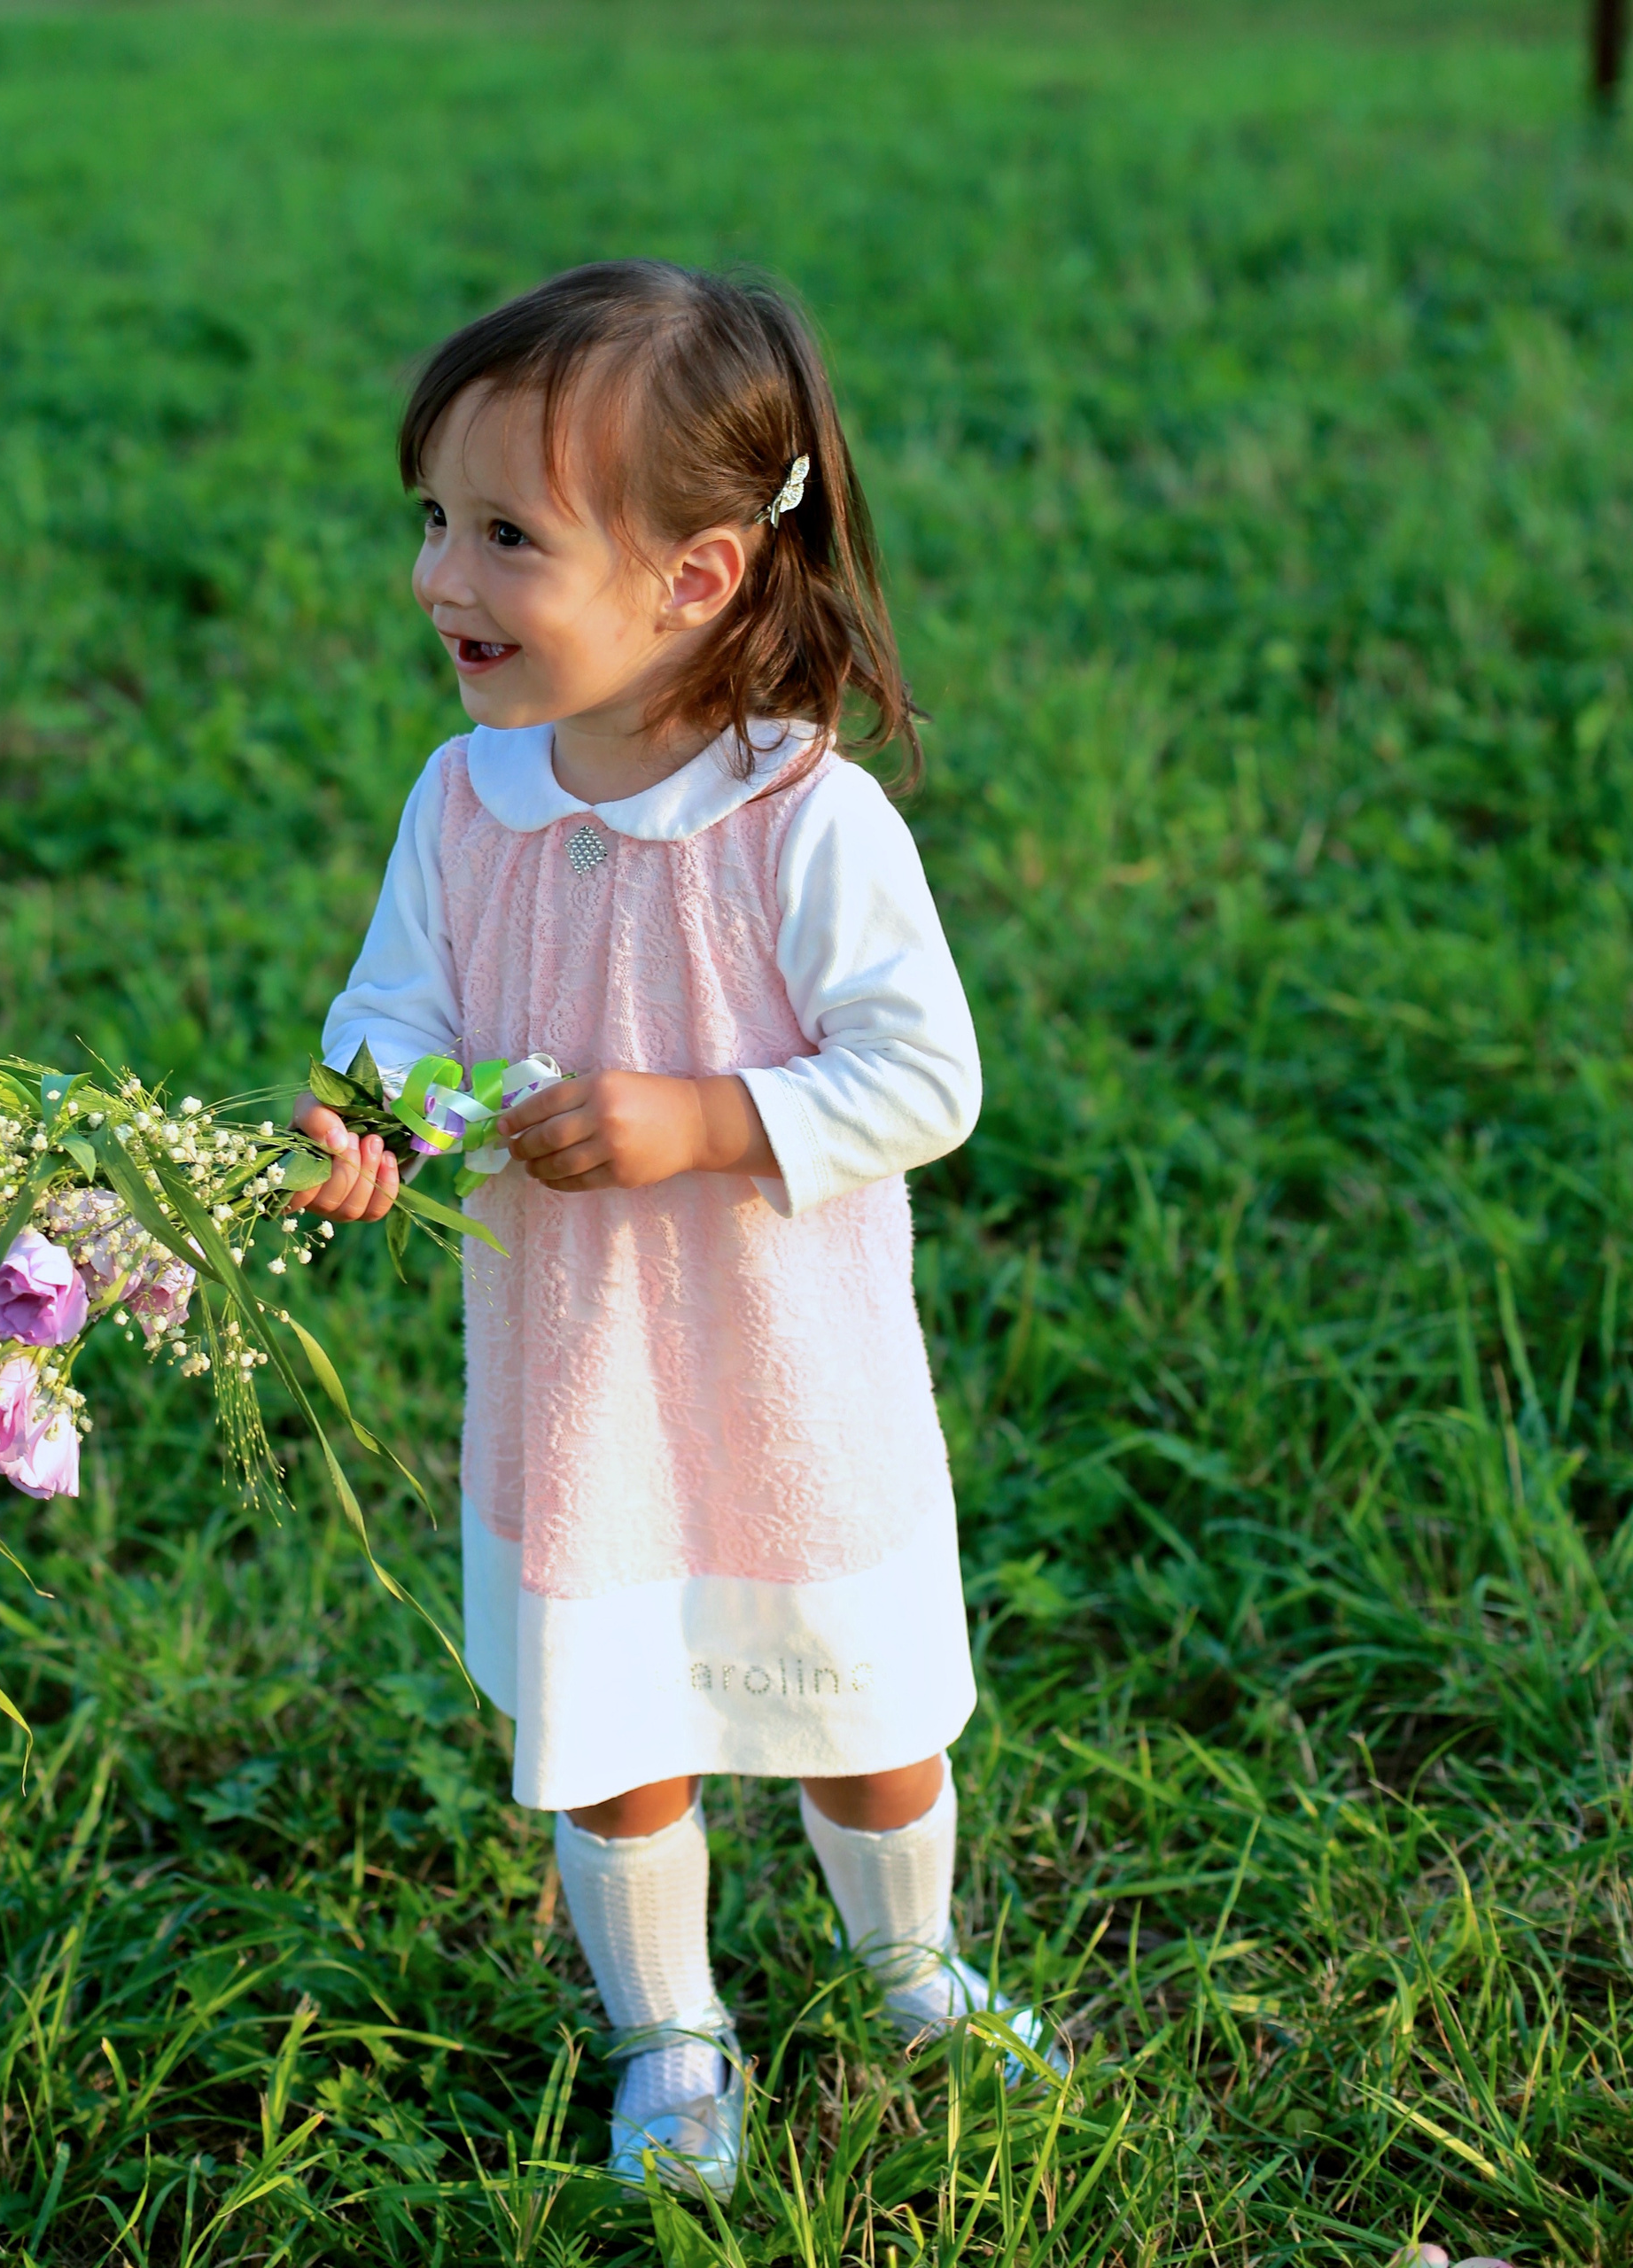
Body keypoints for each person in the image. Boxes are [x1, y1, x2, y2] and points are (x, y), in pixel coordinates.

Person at [291, 260, 1053, 2201]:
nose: (439, 578)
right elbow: (397, 1013)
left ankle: (912, 1966)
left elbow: (926, 1078)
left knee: (863, 1713)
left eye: (505, 537)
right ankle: (669, 2034)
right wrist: (375, 1117)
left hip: (789, 1379)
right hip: (583, 1386)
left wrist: (704, 1117)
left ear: (697, 574)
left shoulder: (804, 822)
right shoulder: (465, 803)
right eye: (432, 520)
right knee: (616, 1729)